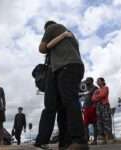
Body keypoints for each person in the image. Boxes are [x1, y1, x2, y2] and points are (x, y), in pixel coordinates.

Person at [38, 20, 88, 150]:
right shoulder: (70, 36)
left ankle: (79, 141)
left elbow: (42, 48)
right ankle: (66, 142)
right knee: (64, 106)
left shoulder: (52, 27)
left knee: (70, 102)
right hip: (73, 67)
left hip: (66, 67)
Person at [92, 77, 112, 144]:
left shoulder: (106, 88)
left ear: (103, 81)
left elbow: (103, 95)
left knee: (106, 120)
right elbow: (93, 99)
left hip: (105, 105)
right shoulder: (96, 90)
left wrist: (97, 96)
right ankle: (102, 138)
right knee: (99, 121)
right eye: (97, 81)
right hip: (98, 106)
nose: (97, 82)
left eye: (99, 81)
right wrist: (98, 96)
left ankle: (109, 137)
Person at [82, 77, 98, 144]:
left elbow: (96, 98)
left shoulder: (95, 88)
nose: (85, 81)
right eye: (86, 80)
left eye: (87, 80)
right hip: (86, 108)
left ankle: (95, 140)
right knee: (85, 124)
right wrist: (83, 107)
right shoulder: (86, 89)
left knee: (94, 124)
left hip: (92, 108)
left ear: (91, 81)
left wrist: (95, 105)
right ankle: (86, 139)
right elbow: (85, 98)